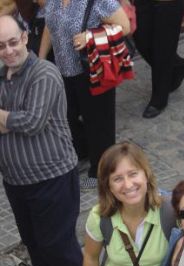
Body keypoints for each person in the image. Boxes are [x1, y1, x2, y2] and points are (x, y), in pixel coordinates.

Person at [0, 15, 88, 266]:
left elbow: (32, 122)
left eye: (13, 42)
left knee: (57, 242)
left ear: (25, 37)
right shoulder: (3, 76)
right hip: (15, 179)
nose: (8, 50)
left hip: (53, 176)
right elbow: (19, 121)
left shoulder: (44, 74)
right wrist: (11, 119)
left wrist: (10, 119)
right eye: (1, 46)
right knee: (33, 240)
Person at [39, 0, 130, 190]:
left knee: (99, 123)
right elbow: (50, 26)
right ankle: (83, 152)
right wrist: (41, 59)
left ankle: (101, 171)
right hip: (63, 70)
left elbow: (125, 26)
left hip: (93, 69)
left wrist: (90, 36)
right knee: (67, 116)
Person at [133, 0, 184, 119]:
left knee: (163, 49)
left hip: (170, 3)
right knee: (141, 40)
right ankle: (179, 66)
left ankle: (159, 100)